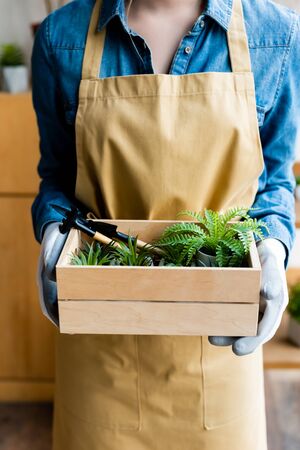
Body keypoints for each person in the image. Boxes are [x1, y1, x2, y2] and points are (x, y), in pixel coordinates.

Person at [31, 0, 300, 449]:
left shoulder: (275, 35)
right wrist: (54, 232)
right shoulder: (63, 37)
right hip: (101, 355)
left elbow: (274, 184)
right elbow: (57, 176)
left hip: (218, 354)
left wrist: (272, 249)